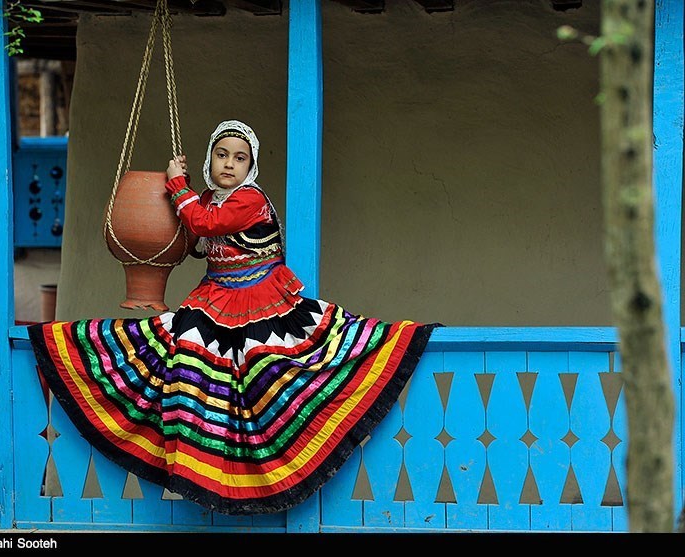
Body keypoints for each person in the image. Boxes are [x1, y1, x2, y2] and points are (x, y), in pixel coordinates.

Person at [28, 119, 440, 516]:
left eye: (239, 158)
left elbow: (206, 223)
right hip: (216, 294)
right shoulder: (208, 199)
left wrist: (176, 185)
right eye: (221, 154)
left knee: (270, 367)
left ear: (251, 166)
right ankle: (194, 455)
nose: (229, 163)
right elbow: (195, 237)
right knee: (181, 355)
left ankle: (273, 460)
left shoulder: (250, 199)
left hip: (260, 296)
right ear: (210, 159)